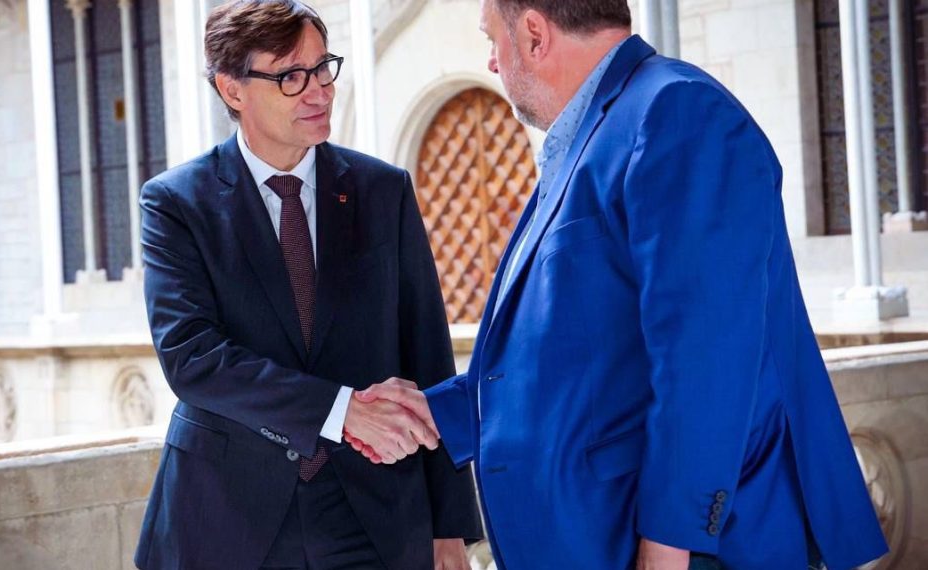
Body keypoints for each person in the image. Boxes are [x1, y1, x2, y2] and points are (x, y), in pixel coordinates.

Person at [350, 1, 889, 568]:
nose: (491, 62)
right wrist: (439, 412)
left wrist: (667, 546)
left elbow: (704, 358)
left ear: (534, 34)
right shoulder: (590, 137)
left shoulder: (677, 112)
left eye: (493, 40)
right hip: (598, 536)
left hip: (701, 548)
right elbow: (585, 356)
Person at [132, 1, 482, 568]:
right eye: (291, 76)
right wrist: (341, 410)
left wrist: (449, 525)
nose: (319, 90)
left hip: (372, 516)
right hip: (227, 515)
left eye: (324, 68)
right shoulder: (176, 203)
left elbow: (428, 358)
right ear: (233, 89)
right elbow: (192, 358)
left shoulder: (383, 190)